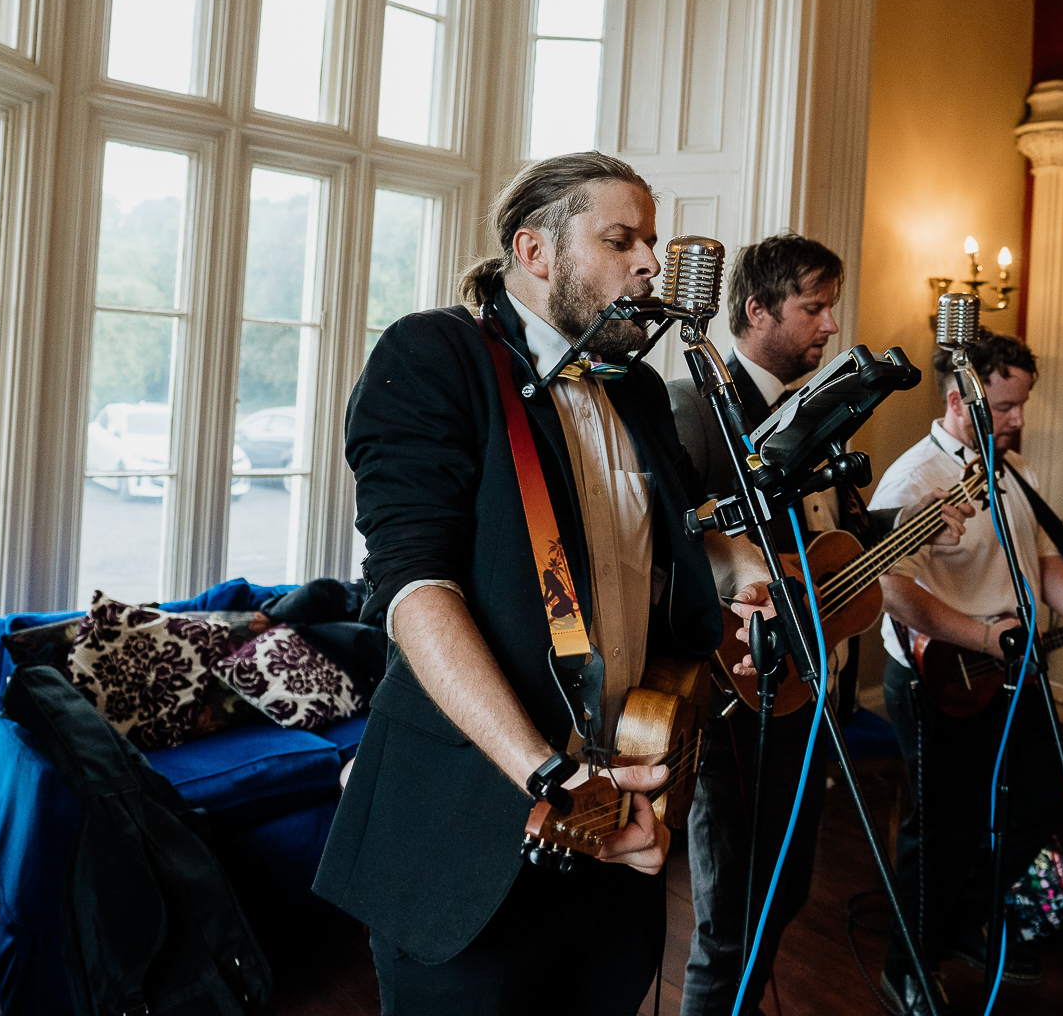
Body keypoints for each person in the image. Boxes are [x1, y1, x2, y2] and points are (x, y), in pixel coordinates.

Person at [315, 153, 775, 1015]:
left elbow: (672, 544)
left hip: (621, 825)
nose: (651, 262)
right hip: (469, 830)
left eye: (653, 240)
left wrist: (740, 574)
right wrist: (544, 776)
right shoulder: (433, 353)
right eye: (621, 239)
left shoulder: (637, 389)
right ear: (534, 250)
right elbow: (418, 592)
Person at [667, 234, 972, 1016]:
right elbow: (668, 538)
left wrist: (916, 520)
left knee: (787, 892)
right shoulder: (694, 404)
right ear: (755, 309)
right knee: (731, 920)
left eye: (830, 306)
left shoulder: (828, 407)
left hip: (817, 689)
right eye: (814, 306)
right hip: (740, 689)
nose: (830, 325)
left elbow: (839, 542)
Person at [870, 333, 1063, 1009]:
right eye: (1007, 405)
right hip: (941, 677)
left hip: (1016, 668)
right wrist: (983, 635)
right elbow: (894, 591)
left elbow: (1042, 562)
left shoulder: (1016, 474)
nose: (1019, 419)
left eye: (1021, 403)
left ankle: (963, 918)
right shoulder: (913, 479)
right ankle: (907, 968)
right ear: (961, 399)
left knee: (1041, 803)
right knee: (939, 831)